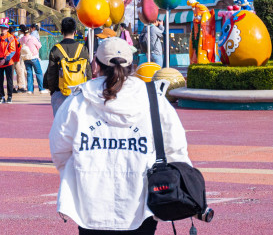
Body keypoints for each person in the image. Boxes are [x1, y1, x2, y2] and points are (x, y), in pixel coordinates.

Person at [49, 37, 192, 235]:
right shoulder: (153, 98)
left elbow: (59, 149)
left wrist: (81, 172)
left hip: (89, 203)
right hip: (142, 204)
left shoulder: (78, 100)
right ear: (132, 65)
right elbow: (176, 149)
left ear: (96, 65)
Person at [44, 17, 91, 115]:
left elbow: (51, 74)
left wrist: (53, 91)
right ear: (75, 31)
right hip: (79, 93)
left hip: (60, 92)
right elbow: (88, 73)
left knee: (60, 125)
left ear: (61, 31)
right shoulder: (83, 49)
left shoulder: (56, 50)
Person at [0, 21, 18, 103]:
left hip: (8, 62)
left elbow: (12, 51)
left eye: (4, 28)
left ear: (7, 29)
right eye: (1, 27)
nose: (2, 29)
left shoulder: (11, 38)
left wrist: (5, 60)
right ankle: (1, 96)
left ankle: (9, 96)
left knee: (9, 80)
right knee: (0, 80)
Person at [18, 24, 44, 94]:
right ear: (29, 30)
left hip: (26, 58)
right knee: (38, 73)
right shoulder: (32, 38)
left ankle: (30, 90)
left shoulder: (22, 39)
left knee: (29, 74)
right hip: (34, 57)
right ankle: (41, 88)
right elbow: (39, 45)